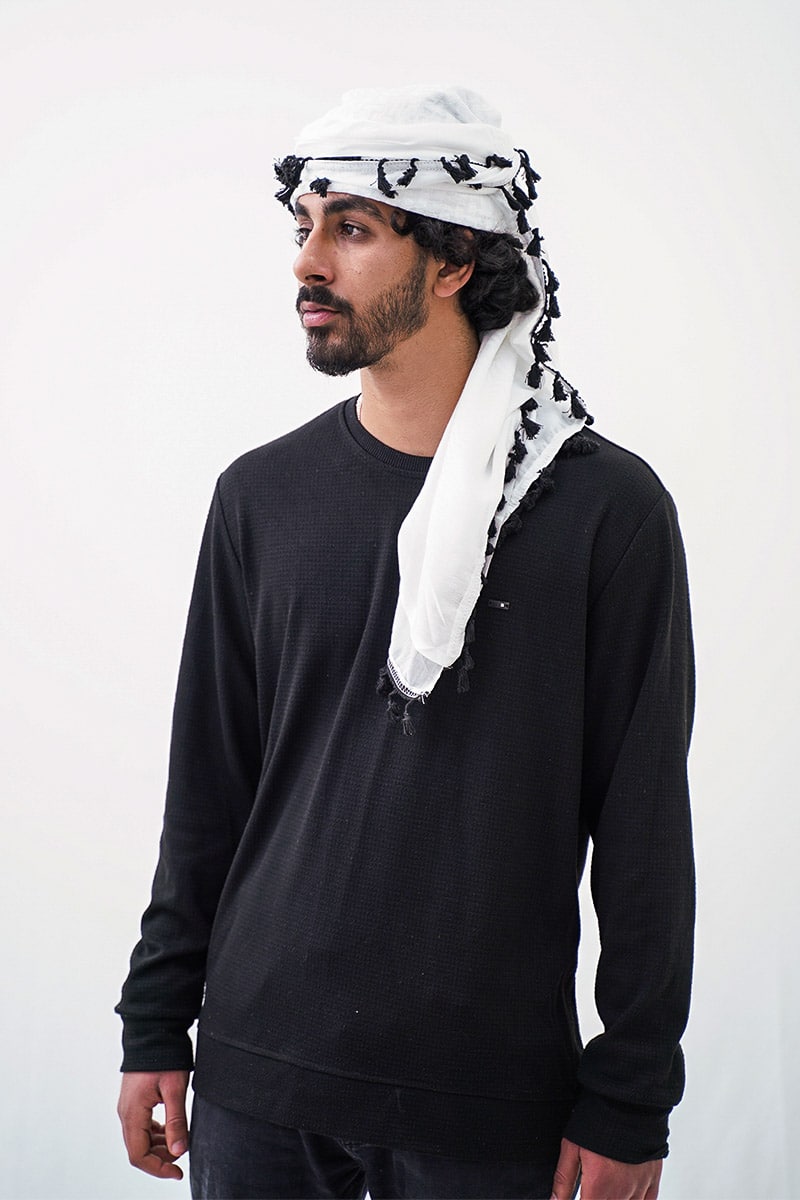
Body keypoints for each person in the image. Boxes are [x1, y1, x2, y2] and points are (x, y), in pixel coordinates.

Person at [116, 85, 695, 1200]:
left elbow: (642, 827)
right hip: (255, 1081)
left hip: (484, 1102)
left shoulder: (602, 512)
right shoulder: (261, 496)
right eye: (304, 227)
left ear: (453, 260)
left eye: (352, 229)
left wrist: (630, 1093)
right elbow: (209, 787)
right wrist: (155, 1021)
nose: (306, 264)